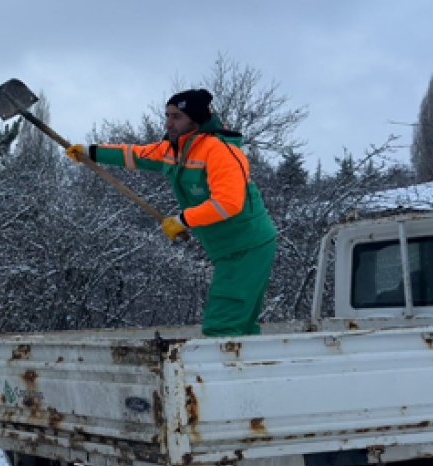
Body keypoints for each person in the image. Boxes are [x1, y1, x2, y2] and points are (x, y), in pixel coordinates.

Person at [65, 88, 278, 337]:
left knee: (224, 322)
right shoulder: (175, 150)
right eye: (167, 115)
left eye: (176, 116)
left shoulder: (219, 151)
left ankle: (213, 372)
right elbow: (135, 154)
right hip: (227, 247)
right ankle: (245, 370)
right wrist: (90, 152)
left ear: (195, 119)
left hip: (248, 244)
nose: (168, 123)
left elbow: (229, 203)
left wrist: (183, 220)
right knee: (241, 326)